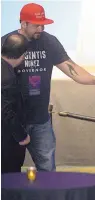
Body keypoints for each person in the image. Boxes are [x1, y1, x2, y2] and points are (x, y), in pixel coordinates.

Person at [1, 3, 95, 172]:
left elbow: (70, 67)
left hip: (40, 120)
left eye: (43, 25)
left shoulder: (49, 41)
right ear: (24, 24)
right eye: (37, 25)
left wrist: (94, 80)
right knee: (9, 170)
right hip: (11, 121)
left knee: (47, 169)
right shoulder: (6, 42)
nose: (41, 29)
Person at [1, 34, 31, 173]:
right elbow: (5, 111)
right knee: (9, 178)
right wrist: (22, 136)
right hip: (6, 141)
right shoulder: (6, 78)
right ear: (21, 55)